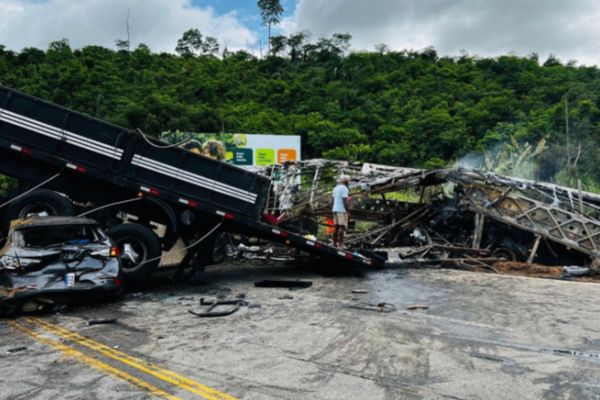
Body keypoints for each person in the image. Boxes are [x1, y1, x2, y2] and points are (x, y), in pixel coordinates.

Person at [332, 177, 350, 249]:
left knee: (336, 226)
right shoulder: (345, 189)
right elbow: (344, 201)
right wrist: (347, 212)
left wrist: (333, 208)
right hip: (341, 210)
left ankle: (334, 244)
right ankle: (340, 244)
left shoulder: (335, 188)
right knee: (342, 227)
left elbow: (332, 200)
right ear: (346, 183)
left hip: (335, 209)